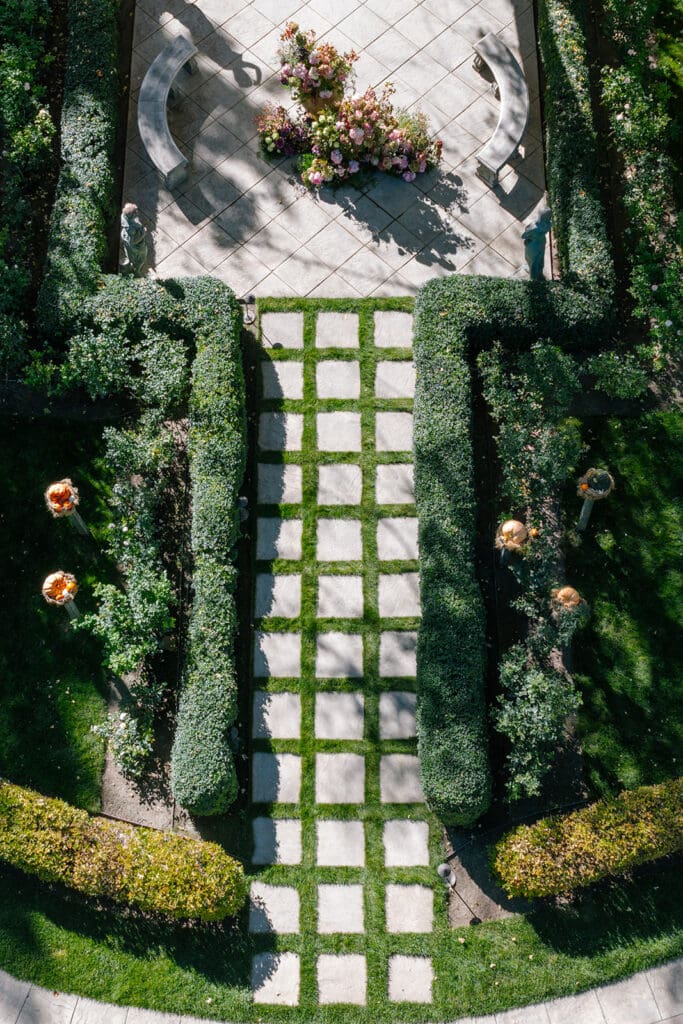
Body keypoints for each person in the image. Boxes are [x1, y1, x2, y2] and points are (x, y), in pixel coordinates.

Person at [522, 207, 551, 280]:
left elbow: (524, 235)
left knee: (532, 260)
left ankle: (533, 277)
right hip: (541, 243)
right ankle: (539, 274)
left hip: (533, 246)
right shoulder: (548, 225)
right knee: (539, 260)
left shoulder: (534, 227)